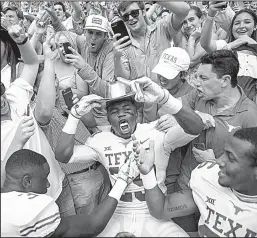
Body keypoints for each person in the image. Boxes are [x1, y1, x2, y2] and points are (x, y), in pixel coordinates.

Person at [129, 50, 257, 230]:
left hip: (221, 198)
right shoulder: (198, 96)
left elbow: (255, 173)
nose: (197, 84)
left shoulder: (252, 118)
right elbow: (164, 111)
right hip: (185, 189)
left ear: (225, 80)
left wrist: (214, 163)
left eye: (203, 78)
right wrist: (194, 116)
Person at [55, 81, 204, 236]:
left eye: (127, 109)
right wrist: (74, 116)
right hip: (118, 213)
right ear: (108, 118)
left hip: (154, 213)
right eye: (114, 111)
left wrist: (166, 99)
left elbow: (195, 128)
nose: (121, 114)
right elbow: (63, 156)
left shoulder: (156, 131)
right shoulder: (100, 140)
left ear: (136, 112)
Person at [136, 127, 257, 237]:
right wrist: (148, 174)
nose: (219, 161)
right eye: (223, 152)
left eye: (231, 158)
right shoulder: (208, 178)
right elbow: (161, 209)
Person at [34, 33, 111, 216]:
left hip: (97, 170)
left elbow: (91, 124)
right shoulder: (40, 112)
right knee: (84, 228)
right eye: (47, 80)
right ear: (37, 89)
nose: (54, 83)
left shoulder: (67, 98)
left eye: (54, 79)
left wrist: (77, 113)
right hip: (77, 180)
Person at [1, 147, 141, 237]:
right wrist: (123, 180)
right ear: (27, 181)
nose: (48, 184)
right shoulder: (35, 208)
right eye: (45, 178)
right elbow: (92, 225)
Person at [1, 24, 64, 208]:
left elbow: (31, 63)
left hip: (59, 187)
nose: (1, 100)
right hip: (30, 209)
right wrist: (17, 142)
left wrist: (22, 41)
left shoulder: (15, 95)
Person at [114, 1, 191, 122]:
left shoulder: (162, 28)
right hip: (144, 106)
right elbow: (123, 77)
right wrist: (116, 57)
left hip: (169, 101)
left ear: (143, 11)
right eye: (125, 16)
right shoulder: (124, 44)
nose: (130, 18)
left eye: (134, 13)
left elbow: (184, 10)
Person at [151, 47, 194, 194]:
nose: (162, 78)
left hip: (176, 170)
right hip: (150, 165)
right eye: (160, 73)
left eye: (168, 74)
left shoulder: (194, 95)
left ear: (184, 74)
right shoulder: (153, 90)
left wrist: (180, 119)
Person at [201, 6, 257, 100]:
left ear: (255, 26)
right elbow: (205, 44)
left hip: (253, 108)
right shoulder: (224, 45)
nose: (241, 26)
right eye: (237, 23)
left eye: (247, 22)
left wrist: (256, 46)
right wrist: (210, 15)